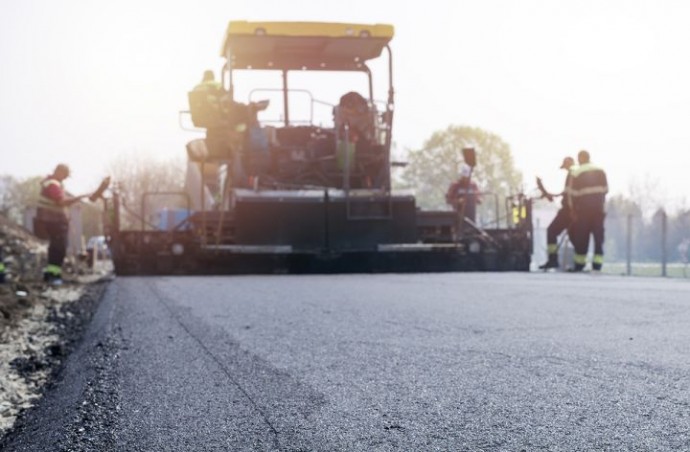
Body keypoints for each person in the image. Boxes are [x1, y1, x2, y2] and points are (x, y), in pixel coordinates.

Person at [36, 164, 85, 284]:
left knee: (56, 247)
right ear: (59, 172)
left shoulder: (52, 183)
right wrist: (78, 198)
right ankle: (54, 276)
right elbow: (61, 201)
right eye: (65, 175)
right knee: (58, 248)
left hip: (54, 221)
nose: (65, 178)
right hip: (54, 221)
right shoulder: (53, 184)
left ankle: (51, 274)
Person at [568, 150, 608, 272]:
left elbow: (572, 195)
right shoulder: (600, 170)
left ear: (580, 158)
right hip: (598, 210)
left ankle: (580, 264)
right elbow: (606, 189)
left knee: (582, 237)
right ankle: (597, 265)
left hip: (583, 211)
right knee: (598, 237)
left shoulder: (576, 172)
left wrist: (573, 210)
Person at [538, 156, 575, 269]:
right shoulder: (574, 175)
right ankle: (578, 263)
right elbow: (566, 193)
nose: (565, 169)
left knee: (552, 231)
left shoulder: (572, 174)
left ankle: (553, 259)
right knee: (574, 236)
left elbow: (568, 194)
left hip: (568, 210)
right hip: (573, 210)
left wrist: (551, 195)